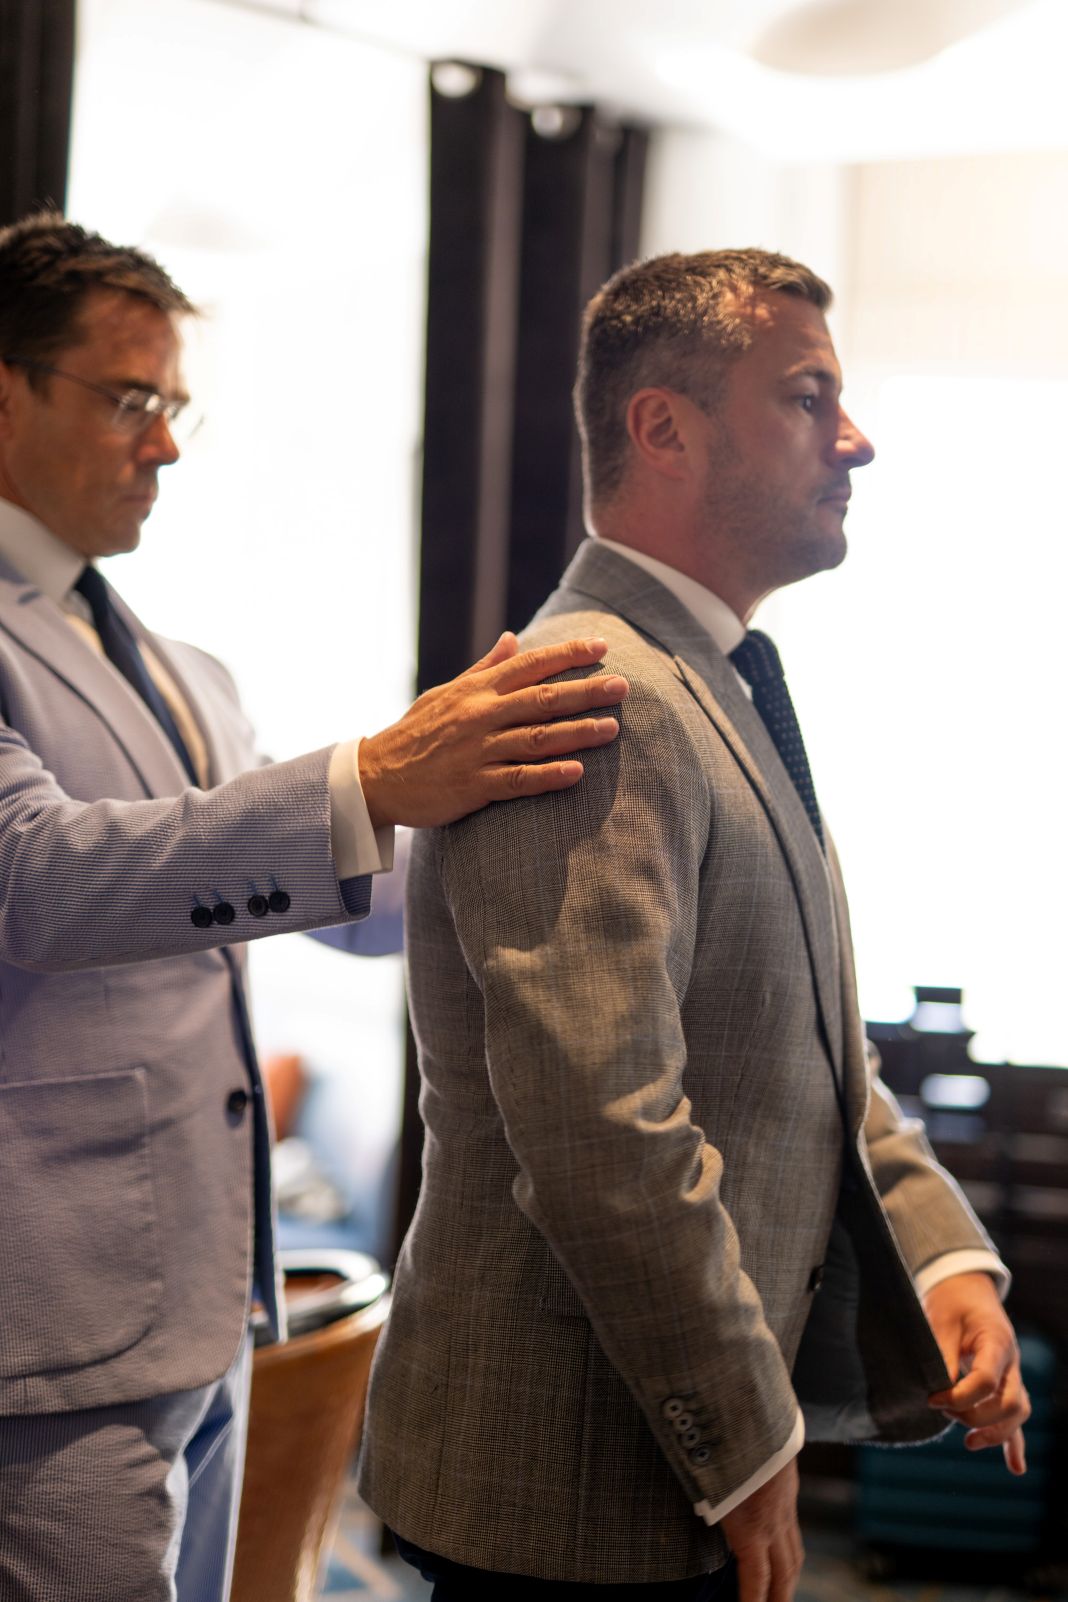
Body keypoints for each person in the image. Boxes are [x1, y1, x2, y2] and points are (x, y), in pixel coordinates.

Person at [358, 249, 1031, 1601]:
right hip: (573, 1490)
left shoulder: (711, 679)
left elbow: (814, 1053)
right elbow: (603, 1128)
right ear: (662, 426)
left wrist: (943, 1251)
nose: (858, 438)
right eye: (808, 396)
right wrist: (743, 1440)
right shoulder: (589, 697)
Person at [0, 210, 631, 1602]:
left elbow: (314, 895)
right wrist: (373, 774)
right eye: (131, 398)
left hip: (213, 1301)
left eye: (175, 406)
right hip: (43, 1324)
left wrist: (532, 829)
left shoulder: (182, 665)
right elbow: (34, 877)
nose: (164, 442)